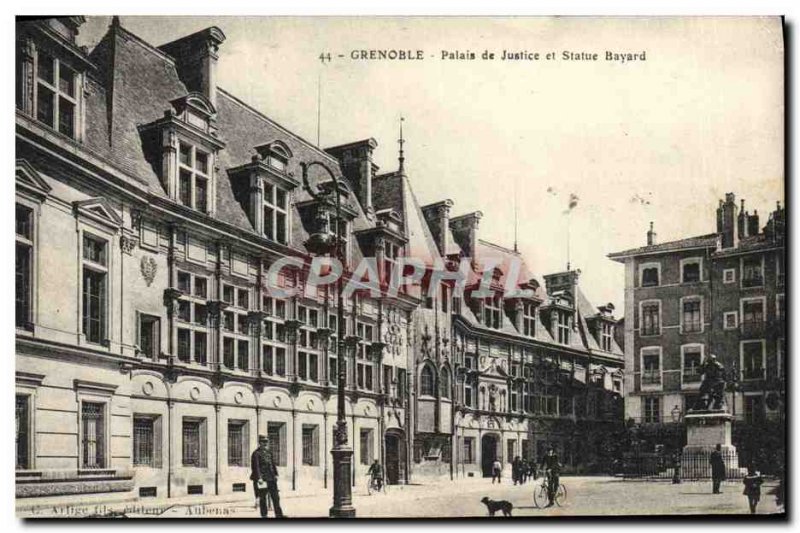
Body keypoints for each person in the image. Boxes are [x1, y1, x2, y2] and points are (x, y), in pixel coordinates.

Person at [250, 435, 284, 518]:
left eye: (266, 442)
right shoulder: (256, 453)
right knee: (263, 498)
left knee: (276, 497)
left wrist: (276, 474)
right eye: (263, 442)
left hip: (271, 478)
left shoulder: (269, 452)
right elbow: (256, 467)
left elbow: (273, 464)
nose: (265, 443)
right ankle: (264, 515)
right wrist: (259, 478)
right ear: (260, 443)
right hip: (263, 479)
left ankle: (279, 515)